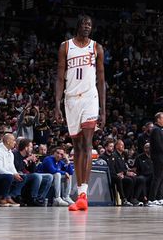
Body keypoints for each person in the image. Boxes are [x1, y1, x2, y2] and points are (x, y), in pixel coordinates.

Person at [54, 15, 106, 212]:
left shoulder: (96, 48)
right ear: (77, 26)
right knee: (76, 146)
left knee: (86, 143)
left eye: (90, 24)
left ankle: (83, 194)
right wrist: (57, 105)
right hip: (70, 98)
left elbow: (101, 80)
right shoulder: (65, 47)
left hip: (90, 97)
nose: (87, 26)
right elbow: (60, 76)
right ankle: (79, 192)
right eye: (84, 24)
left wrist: (103, 109)